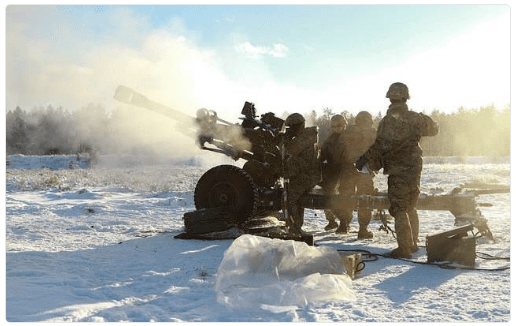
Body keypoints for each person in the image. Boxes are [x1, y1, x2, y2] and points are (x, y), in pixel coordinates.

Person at [356, 82, 439, 258]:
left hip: (397, 168)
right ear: (406, 97)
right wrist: (422, 117)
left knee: (399, 207)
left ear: (390, 98)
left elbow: (380, 145)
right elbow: (434, 130)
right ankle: (413, 243)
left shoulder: (388, 121)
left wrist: (364, 158)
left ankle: (404, 248)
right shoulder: (415, 118)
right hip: (415, 166)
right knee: (411, 204)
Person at [338, 111, 377, 238]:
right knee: (364, 200)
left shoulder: (347, 132)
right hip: (364, 171)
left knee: (346, 198)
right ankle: (363, 229)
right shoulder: (372, 133)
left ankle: (343, 224)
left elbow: (339, 150)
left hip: (347, 170)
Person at [283, 113, 321, 234]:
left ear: (298, 126)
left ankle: (295, 226)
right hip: (307, 174)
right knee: (298, 200)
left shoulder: (303, 139)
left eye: (291, 127)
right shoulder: (307, 136)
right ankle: (296, 225)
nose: (289, 130)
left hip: (307, 175)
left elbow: (288, 151)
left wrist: (284, 138)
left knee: (291, 199)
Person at [319, 114, 348, 231]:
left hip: (347, 171)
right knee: (328, 195)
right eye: (334, 126)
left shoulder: (350, 138)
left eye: (339, 125)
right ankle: (332, 221)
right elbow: (323, 154)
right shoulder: (330, 139)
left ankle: (344, 222)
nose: (336, 128)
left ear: (344, 125)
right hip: (332, 171)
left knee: (343, 197)